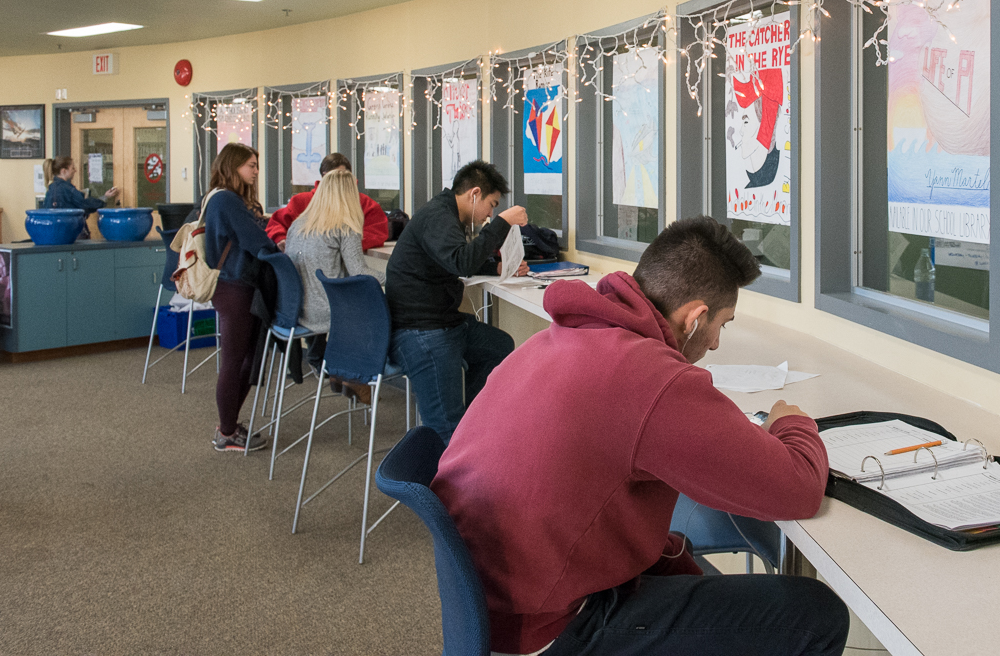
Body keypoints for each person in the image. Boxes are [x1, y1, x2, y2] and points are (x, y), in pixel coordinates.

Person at [431, 216, 848, 656]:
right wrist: (791, 423)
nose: (715, 345)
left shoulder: (556, 339)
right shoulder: (651, 378)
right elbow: (798, 488)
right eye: (722, 325)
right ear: (695, 318)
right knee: (815, 615)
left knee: (679, 555)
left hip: (491, 607)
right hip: (548, 626)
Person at [385, 159, 527, 441]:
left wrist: (495, 268)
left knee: (499, 346)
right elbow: (461, 262)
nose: (489, 215)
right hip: (422, 331)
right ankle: (453, 443)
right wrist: (503, 222)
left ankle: (470, 424)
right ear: (475, 194)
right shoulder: (438, 217)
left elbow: (453, 259)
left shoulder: (445, 215)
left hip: (441, 321)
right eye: (492, 205)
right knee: (445, 428)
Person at [201, 143, 278, 453]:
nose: (256, 171)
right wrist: (278, 245)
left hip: (232, 285)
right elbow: (255, 240)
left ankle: (229, 425)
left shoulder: (220, 198)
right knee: (235, 360)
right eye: (251, 165)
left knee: (244, 358)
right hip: (235, 286)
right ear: (233, 167)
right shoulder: (227, 200)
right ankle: (226, 432)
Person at [284, 167, 385, 383]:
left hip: (296, 309)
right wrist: (393, 276)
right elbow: (360, 272)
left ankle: (338, 370)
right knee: (383, 308)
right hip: (327, 312)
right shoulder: (344, 227)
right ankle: (356, 376)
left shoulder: (298, 225)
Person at [266, 152, 389, 251]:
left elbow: (377, 232)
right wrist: (281, 239)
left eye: (339, 176)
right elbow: (276, 224)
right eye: (330, 177)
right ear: (323, 177)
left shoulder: (366, 204)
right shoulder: (301, 201)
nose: (334, 182)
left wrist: (341, 245)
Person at [42, 156, 120, 238]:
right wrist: (105, 197)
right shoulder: (67, 189)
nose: (75, 170)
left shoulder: (51, 189)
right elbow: (85, 204)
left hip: (56, 233)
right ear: (63, 171)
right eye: (72, 168)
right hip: (71, 232)